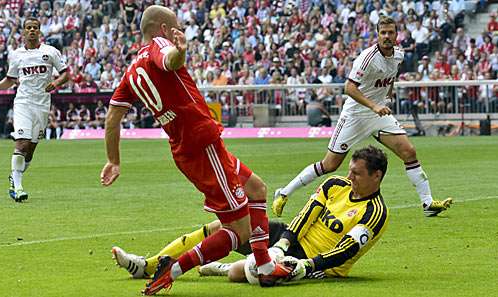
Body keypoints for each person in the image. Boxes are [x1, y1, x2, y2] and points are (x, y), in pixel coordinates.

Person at [100, 5, 291, 296]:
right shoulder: (160, 44)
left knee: (256, 188)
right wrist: (180, 50)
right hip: (201, 145)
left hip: (195, 146)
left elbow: (112, 119)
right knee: (236, 231)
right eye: (175, 26)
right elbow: (170, 61)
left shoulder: (131, 71)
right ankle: (172, 270)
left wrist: (113, 160)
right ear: (163, 29)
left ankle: (264, 267)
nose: (178, 31)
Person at [112, 146, 390, 283]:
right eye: (350, 170)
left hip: (316, 264)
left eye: (357, 173)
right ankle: (147, 266)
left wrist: (305, 265)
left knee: (240, 274)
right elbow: (305, 217)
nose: (349, 176)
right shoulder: (334, 185)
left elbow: (346, 251)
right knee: (224, 227)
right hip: (289, 240)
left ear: (376, 176)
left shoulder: (375, 213)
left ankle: (222, 268)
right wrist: (281, 243)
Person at [273, 16, 452, 218]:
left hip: (378, 114)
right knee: (330, 165)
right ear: (377, 34)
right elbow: (349, 87)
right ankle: (284, 192)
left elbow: (391, 76)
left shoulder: (399, 55)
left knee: (409, 151)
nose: (386, 36)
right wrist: (375, 105)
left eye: (390, 32)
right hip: (355, 115)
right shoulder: (367, 58)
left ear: (396, 35)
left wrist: (388, 95)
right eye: (383, 32)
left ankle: (427, 204)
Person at [0, 17, 68, 202]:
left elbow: (65, 74)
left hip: (42, 105)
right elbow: (10, 79)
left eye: (35, 28)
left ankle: (15, 176)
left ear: (39, 31)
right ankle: (18, 187)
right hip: (23, 103)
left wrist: (54, 83)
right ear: (23, 32)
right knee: (21, 143)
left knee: (30, 150)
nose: (31, 30)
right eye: (28, 28)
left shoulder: (50, 52)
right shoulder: (16, 55)